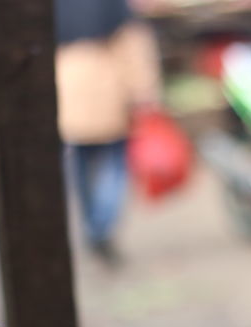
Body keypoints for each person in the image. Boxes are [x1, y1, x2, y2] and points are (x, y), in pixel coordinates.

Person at [54, 0, 160, 264]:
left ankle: (93, 224)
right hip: (104, 83)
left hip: (66, 85)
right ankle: (101, 226)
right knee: (113, 163)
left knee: (80, 165)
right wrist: (144, 92)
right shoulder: (113, 7)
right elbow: (133, 44)